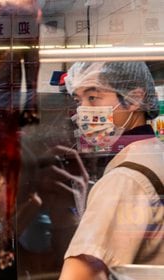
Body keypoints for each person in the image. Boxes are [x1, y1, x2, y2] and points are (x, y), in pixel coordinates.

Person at [59, 62, 164, 279]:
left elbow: (80, 274)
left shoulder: (125, 179)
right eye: (79, 100)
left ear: (134, 98)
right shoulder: (154, 151)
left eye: (93, 98)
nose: (83, 111)